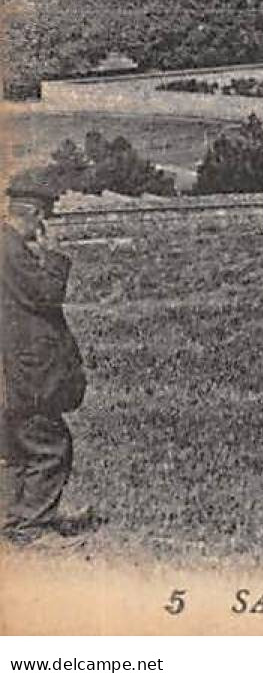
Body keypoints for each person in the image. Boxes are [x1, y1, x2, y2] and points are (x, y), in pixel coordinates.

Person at [1, 169, 94, 544]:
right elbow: (45, 296)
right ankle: (31, 527)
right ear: (37, 214)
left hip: (11, 369)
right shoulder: (11, 251)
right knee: (49, 446)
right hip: (27, 370)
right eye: (46, 216)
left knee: (17, 448)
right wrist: (53, 257)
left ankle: (19, 517)